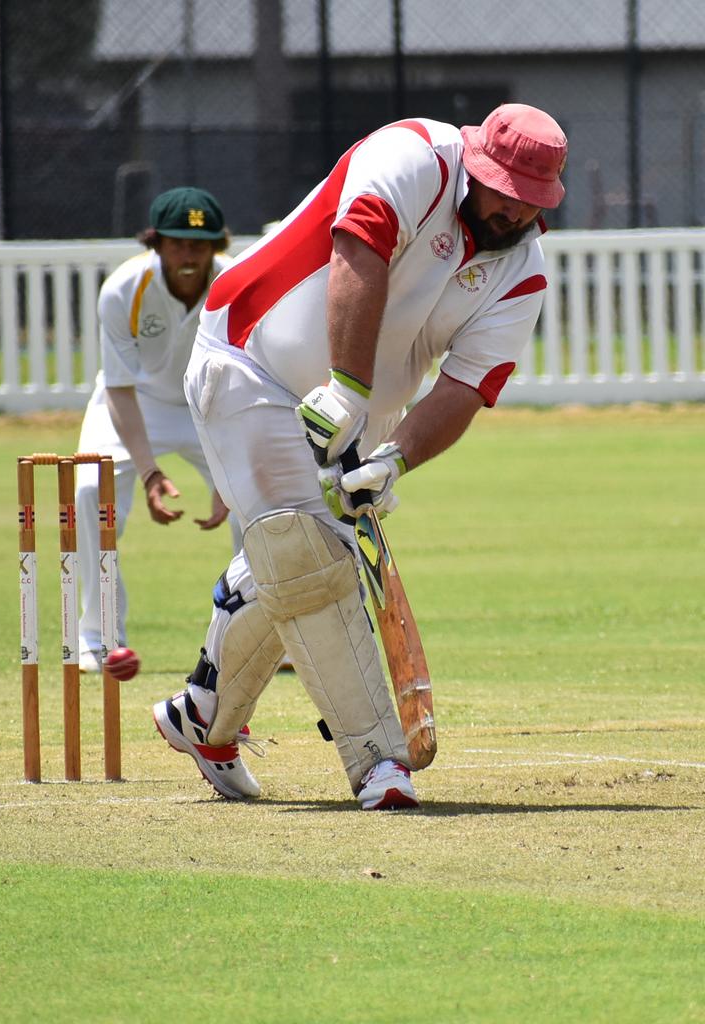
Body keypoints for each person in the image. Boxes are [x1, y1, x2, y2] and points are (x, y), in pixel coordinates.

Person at [153, 103, 568, 809]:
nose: (509, 209)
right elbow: (360, 254)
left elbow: (467, 387)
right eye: (500, 189)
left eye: (527, 202)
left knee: (303, 563)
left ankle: (203, 716)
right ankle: (378, 761)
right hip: (250, 356)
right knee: (305, 551)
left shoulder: (521, 276)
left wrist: (394, 459)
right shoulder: (412, 153)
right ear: (475, 163)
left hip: (361, 413)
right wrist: (345, 389)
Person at [75, 186, 240, 672]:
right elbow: (120, 389)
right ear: (156, 243)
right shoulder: (124, 289)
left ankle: (259, 635)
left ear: (216, 245)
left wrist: (229, 476)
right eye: (177, 243)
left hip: (207, 402)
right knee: (89, 492)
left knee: (258, 503)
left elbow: (245, 376)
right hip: (134, 402)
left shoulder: (236, 283)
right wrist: (149, 473)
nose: (188, 254)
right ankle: (98, 635)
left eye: (200, 244)